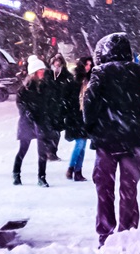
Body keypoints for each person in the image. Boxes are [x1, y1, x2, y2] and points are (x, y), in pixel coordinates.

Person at [83, 33, 140, 246]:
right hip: (132, 138)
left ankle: (106, 234)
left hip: (105, 141)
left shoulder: (100, 72)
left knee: (104, 190)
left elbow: (89, 103)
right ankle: (128, 232)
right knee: (129, 190)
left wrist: (91, 128)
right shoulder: (139, 72)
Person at [14, 56, 56, 187]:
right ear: (33, 73)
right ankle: (16, 173)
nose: (42, 73)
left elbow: (49, 103)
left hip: (41, 121)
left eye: (43, 70)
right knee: (23, 149)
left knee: (42, 151)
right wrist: (27, 113)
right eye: (40, 71)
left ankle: (41, 177)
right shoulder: (24, 89)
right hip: (28, 122)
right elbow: (20, 104)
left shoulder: (46, 86)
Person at [64, 57, 92, 181]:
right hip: (76, 116)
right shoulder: (75, 81)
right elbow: (69, 99)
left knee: (82, 145)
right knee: (80, 143)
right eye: (87, 65)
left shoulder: (90, 80)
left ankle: (77, 171)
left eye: (90, 65)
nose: (88, 67)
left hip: (85, 116)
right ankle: (71, 168)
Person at [46, 53, 75, 160]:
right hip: (49, 107)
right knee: (48, 131)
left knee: (56, 131)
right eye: (55, 61)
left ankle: (52, 152)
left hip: (60, 107)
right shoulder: (47, 75)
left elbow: (71, 91)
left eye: (59, 61)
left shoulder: (66, 76)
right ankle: (47, 151)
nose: (57, 64)